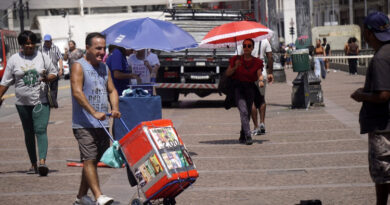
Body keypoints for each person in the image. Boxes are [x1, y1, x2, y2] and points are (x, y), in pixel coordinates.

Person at [71, 32, 120, 205]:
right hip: (83, 123)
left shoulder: (104, 67)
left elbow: (112, 90)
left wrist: (114, 108)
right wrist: (93, 112)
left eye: (103, 48)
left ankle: (81, 197)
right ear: (87, 48)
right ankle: (99, 196)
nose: (102, 52)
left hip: (102, 123)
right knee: (89, 158)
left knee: (92, 160)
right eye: (98, 48)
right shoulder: (79, 66)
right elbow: (77, 92)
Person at [0, 30, 57, 176]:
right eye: (26, 44)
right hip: (22, 102)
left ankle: (42, 162)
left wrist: (46, 78)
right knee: (28, 133)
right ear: (21, 45)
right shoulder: (14, 59)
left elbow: (54, 73)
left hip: (41, 100)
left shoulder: (42, 57)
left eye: (32, 43)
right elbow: (5, 82)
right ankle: (33, 163)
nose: (30, 46)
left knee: (40, 129)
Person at [351, 11, 390, 205]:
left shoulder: (381, 58)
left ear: (368, 33)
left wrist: (361, 95)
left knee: (383, 174)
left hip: (383, 126)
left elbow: (383, 94)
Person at [225, 38, 263, 145]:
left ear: (252, 48)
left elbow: (259, 73)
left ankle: (242, 134)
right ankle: (248, 135)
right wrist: (235, 67)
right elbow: (228, 73)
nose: (246, 48)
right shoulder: (236, 59)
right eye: (245, 45)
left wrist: (260, 80)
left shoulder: (257, 62)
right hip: (238, 88)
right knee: (244, 111)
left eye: (249, 46)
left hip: (250, 88)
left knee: (247, 112)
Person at [251, 38, 274, 135]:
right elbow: (270, 58)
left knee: (251, 101)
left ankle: (256, 127)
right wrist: (270, 73)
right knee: (261, 99)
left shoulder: (245, 40)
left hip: (249, 74)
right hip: (262, 74)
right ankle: (262, 123)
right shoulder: (264, 41)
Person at [39, 34, 63, 108]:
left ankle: (54, 102)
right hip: (44, 72)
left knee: (54, 88)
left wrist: (61, 69)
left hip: (54, 71)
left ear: (51, 41)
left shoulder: (56, 48)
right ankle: (47, 103)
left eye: (48, 41)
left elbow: (60, 58)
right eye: (46, 41)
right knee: (45, 87)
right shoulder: (41, 49)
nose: (47, 43)